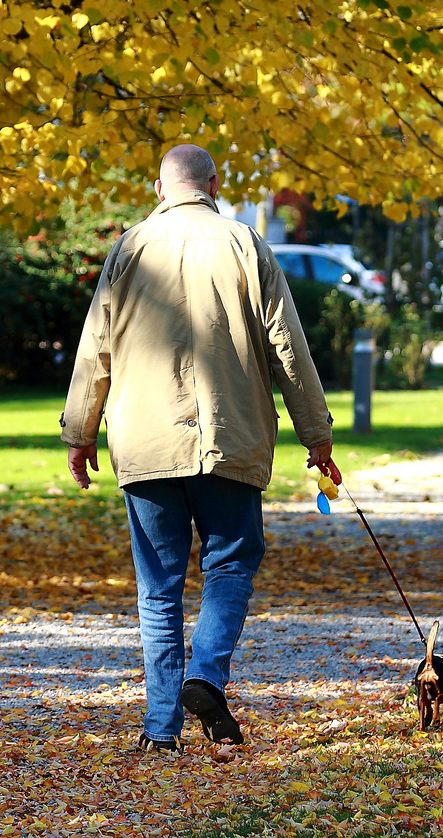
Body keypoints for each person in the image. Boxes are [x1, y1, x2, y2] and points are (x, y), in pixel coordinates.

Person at [59, 145, 335, 753]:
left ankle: (161, 729)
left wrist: (79, 431)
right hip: (227, 438)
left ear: (160, 187)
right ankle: (205, 674)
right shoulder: (244, 244)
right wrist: (316, 435)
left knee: (158, 588)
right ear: (214, 182)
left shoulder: (127, 249)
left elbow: (94, 348)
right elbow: (287, 344)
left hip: (145, 443)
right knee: (231, 563)